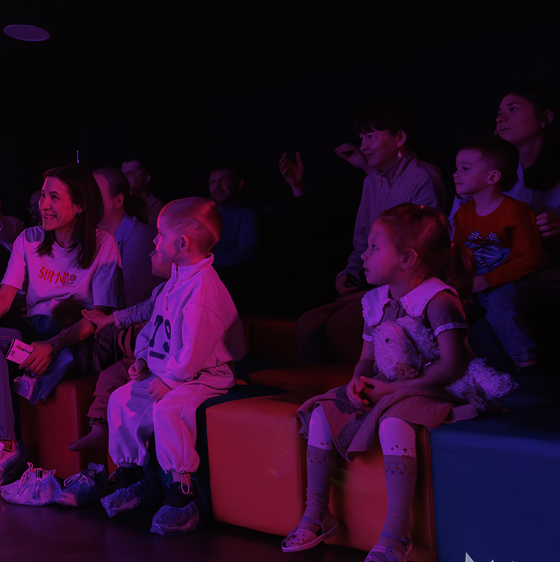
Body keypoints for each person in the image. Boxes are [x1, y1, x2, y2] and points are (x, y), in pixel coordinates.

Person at [282, 204, 511, 562]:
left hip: (439, 387)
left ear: (407, 258)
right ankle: (316, 513)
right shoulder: (375, 301)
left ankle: (396, 532)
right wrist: (358, 382)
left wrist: (392, 389)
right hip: (392, 387)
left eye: (375, 247)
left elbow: (452, 365)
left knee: (393, 422)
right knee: (324, 411)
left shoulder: (439, 300)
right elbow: (366, 359)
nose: (363, 254)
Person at [0, 164, 121, 490]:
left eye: (54, 197)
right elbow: (4, 296)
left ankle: (6, 446)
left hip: (74, 338)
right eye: (42, 196)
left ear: (80, 204)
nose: (44, 205)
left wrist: (54, 346)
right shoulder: (29, 239)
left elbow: (97, 318)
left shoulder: (103, 244)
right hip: (34, 333)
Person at [99, 199, 244, 534]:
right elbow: (156, 326)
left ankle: (182, 489)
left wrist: (171, 380)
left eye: (160, 234)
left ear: (182, 244)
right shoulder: (176, 279)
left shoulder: (203, 287)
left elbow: (196, 348)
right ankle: (133, 476)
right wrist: (143, 359)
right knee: (122, 399)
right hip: (168, 371)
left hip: (205, 375)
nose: (154, 239)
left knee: (168, 410)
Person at [294, 108, 447, 365]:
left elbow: (426, 248)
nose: (363, 146)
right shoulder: (372, 181)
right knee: (308, 325)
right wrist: (351, 272)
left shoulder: (422, 176)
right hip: (376, 287)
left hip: (406, 290)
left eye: (371, 137)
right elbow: (363, 239)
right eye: (361, 138)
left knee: (341, 328)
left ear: (400, 138)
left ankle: (366, 385)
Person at [451, 137, 546, 368]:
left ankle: (525, 365)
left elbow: (533, 257)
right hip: (476, 282)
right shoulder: (463, 215)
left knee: (500, 306)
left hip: (511, 280)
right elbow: (460, 254)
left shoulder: (515, 211)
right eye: (456, 168)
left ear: (493, 177)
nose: (455, 174)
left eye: (465, 169)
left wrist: (488, 280)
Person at [494, 85, 560, 257]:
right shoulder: (492, 172)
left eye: (513, 109)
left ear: (546, 117)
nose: (500, 119)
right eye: (499, 113)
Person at [94, 167, 162, 305]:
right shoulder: (93, 236)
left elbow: (133, 304)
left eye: (94, 192)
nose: (86, 199)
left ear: (118, 201)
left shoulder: (140, 240)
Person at [207, 162, 259, 268]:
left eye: (224, 180)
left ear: (239, 184)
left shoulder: (246, 216)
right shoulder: (202, 214)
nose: (217, 186)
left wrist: (206, 263)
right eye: (212, 181)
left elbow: (246, 253)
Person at [121, 157, 165, 226]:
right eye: (122, 174)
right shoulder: (123, 205)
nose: (124, 178)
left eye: (130, 173)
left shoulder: (157, 209)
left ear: (147, 177)